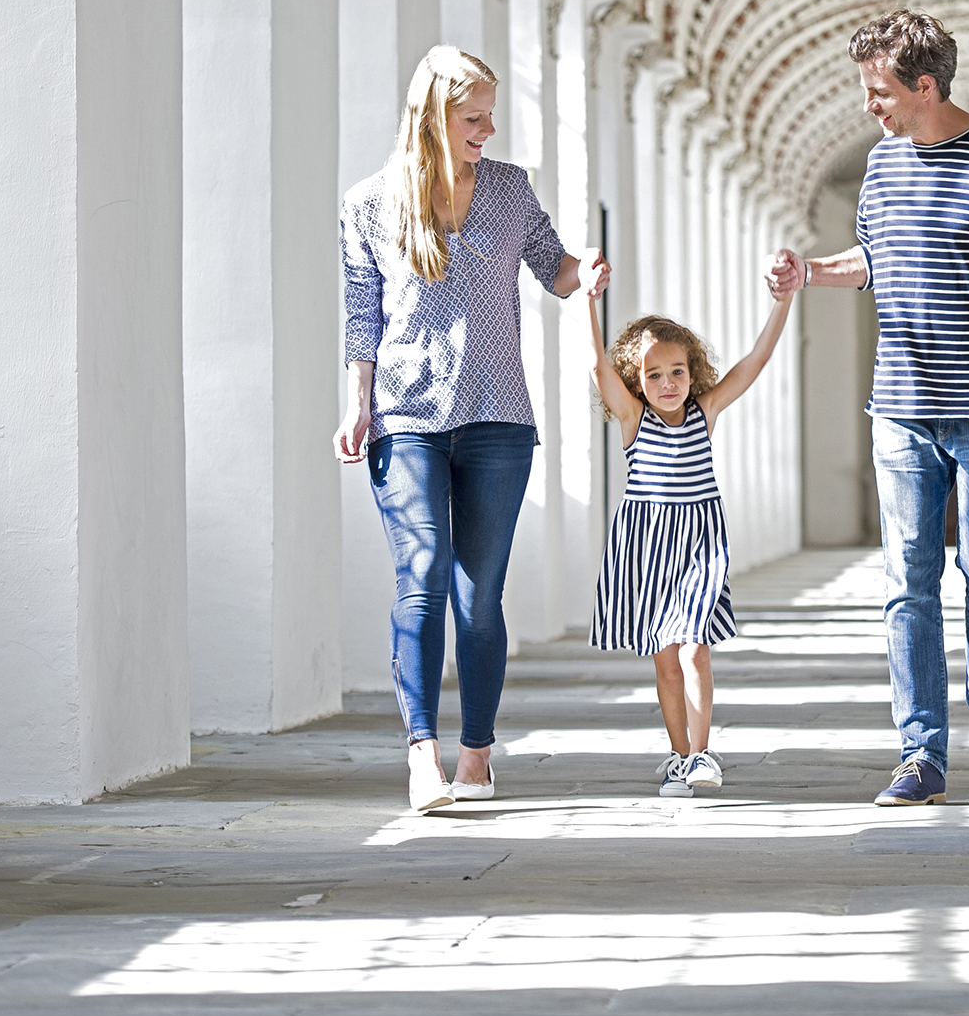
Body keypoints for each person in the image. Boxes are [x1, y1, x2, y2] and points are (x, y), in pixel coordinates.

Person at [768, 11, 969, 806]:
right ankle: (920, 752)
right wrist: (809, 271)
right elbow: (877, 260)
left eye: (879, 91)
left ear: (925, 84)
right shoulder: (882, 164)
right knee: (907, 580)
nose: (869, 106)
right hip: (903, 408)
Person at [336, 46, 608, 813]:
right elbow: (362, 314)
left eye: (490, 116)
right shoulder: (370, 203)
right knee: (419, 580)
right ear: (432, 116)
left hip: (497, 416)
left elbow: (554, 270)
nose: (487, 130)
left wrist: (585, 272)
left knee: (478, 595)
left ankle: (477, 752)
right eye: (473, 118)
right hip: (405, 413)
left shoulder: (509, 190)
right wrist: (357, 403)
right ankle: (421, 754)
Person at [586, 291, 794, 798]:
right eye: (653, 374)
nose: (667, 383)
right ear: (636, 380)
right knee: (665, 659)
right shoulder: (635, 420)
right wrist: (590, 302)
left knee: (695, 648)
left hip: (699, 542)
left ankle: (702, 756)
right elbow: (597, 367)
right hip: (647, 546)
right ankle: (680, 756)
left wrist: (783, 302)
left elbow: (756, 360)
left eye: (677, 371)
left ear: (692, 371)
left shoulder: (705, 411)